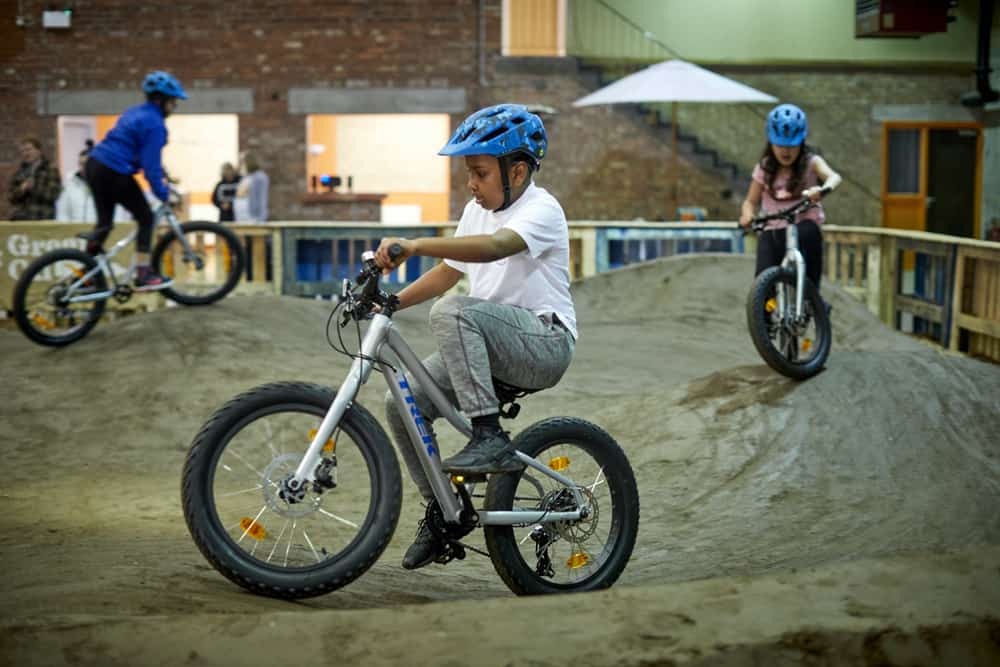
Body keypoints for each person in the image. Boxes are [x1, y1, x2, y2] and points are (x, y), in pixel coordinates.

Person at [373, 103, 577, 570]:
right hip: (488, 341)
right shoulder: (476, 210)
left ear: (518, 171)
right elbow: (450, 272)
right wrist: (390, 303)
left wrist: (419, 242)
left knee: (454, 312)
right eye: (470, 173)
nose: (471, 183)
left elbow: (495, 248)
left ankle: (489, 435)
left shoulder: (541, 209)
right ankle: (445, 510)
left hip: (544, 342)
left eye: (481, 173)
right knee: (402, 403)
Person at [83, 70, 187, 289]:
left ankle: (86, 273)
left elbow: (134, 151)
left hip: (95, 165)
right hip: (114, 170)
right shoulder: (155, 124)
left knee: (104, 224)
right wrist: (163, 194)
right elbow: (150, 167)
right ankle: (143, 275)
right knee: (146, 218)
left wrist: (161, 174)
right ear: (161, 100)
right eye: (173, 102)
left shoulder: (134, 113)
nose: (174, 107)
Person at [738, 103, 842, 293]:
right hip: (774, 229)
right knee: (762, 280)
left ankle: (812, 298)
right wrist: (747, 216)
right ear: (771, 143)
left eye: (792, 146)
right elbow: (750, 201)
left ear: (801, 142)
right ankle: (764, 311)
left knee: (809, 233)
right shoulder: (764, 167)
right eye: (780, 145)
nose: (786, 151)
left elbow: (834, 177)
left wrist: (822, 189)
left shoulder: (812, 162)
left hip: (804, 226)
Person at [8, 136, 62, 220]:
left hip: (42, 218)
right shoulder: (19, 173)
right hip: (21, 219)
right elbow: (11, 198)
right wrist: (22, 189)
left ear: (39, 151)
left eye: (29, 149)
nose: (26, 153)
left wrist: (34, 188)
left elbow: (53, 195)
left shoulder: (50, 170)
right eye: (23, 151)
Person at [56, 141, 97, 222]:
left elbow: (117, 216)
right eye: (81, 164)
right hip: (75, 233)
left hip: (101, 233)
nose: (83, 168)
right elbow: (62, 214)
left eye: (86, 164)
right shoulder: (70, 186)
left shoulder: (108, 187)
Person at [234, 153, 268, 223]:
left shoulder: (260, 177)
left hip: (253, 216)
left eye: (242, 162)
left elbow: (262, 198)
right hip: (241, 214)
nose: (240, 164)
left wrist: (261, 218)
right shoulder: (244, 177)